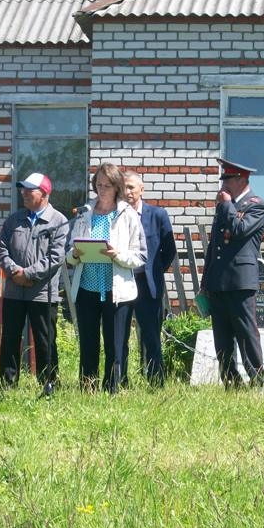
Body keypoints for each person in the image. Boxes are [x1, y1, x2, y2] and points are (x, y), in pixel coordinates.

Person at [66, 162, 147, 393]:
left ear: (117, 187)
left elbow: (141, 255)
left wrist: (117, 254)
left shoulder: (128, 215)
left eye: (107, 185)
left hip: (116, 290)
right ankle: (87, 388)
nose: (102, 190)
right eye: (98, 185)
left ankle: (112, 389)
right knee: (88, 342)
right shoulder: (84, 213)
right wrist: (75, 254)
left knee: (115, 344)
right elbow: (68, 253)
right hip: (87, 288)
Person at [199, 157, 264, 389]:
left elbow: (239, 230)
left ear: (241, 179)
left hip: (240, 282)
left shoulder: (256, 204)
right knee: (222, 338)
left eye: (228, 179)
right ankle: (231, 383)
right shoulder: (224, 206)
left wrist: (227, 205)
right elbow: (214, 247)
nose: (223, 185)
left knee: (246, 334)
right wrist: (205, 281)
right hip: (218, 282)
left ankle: (259, 383)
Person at [0, 172, 68, 391]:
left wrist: (29, 274)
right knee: (10, 337)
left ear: (44, 193)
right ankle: (7, 384)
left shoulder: (59, 221)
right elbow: (1, 249)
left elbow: (56, 258)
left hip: (42, 292)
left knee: (45, 340)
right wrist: (14, 271)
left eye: (30, 190)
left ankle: (49, 385)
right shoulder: (14, 219)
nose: (24, 194)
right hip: (14, 291)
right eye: (23, 190)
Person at [121, 171, 177, 387]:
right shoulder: (116, 215)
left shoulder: (157, 215)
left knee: (151, 335)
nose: (127, 192)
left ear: (141, 189)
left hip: (147, 284)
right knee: (121, 334)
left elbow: (168, 249)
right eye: (124, 187)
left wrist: (154, 270)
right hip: (123, 281)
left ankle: (155, 381)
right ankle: (121, 380)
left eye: (131, 187)